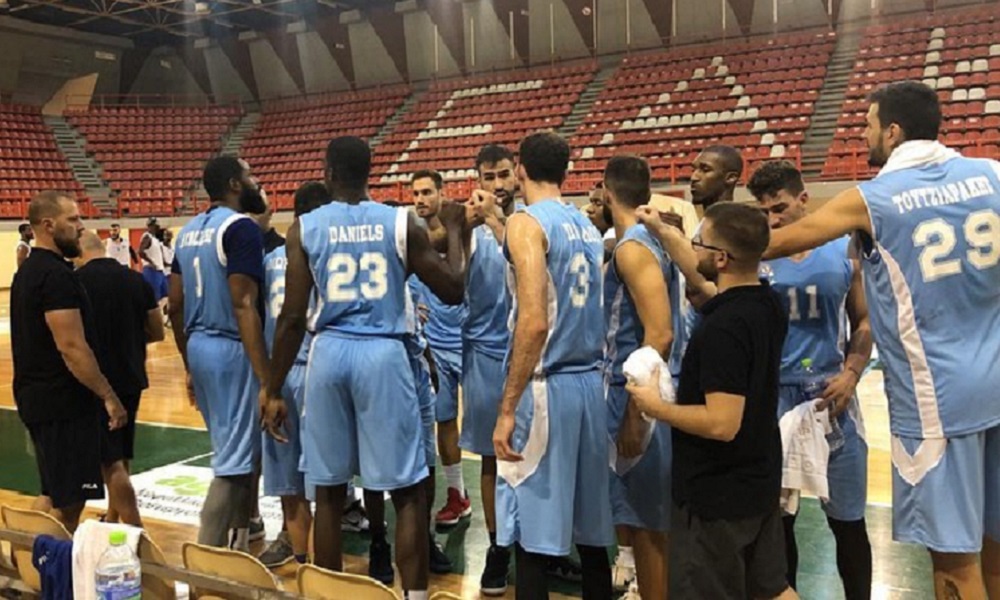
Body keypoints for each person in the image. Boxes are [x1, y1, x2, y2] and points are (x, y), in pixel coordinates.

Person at [764, 80, 1000, 599]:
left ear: (892, 131)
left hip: (937, 401)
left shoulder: (872, 199)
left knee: (954, 563)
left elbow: (776, 241)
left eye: (868, 125)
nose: (864, 135)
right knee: (994, 548)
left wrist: (691, 238)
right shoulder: (992, 174)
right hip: (995, 384)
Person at [263, 136, 468, 600]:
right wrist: (456, 231)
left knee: (329, 493)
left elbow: (291, 318)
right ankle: (414, 596)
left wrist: (273, 389)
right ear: (369, 172)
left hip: (328, 353)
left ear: (328, 174)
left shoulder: (305, 228)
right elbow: (453, 288)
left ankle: (329, 595)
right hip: (383, 354)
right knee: (408, 491)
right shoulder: (401, 222)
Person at [629, 202, 795, 600]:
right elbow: (704, 282)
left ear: (721, 258)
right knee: (772, 589)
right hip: (758, 478)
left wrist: (655, 407)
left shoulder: (723, 329)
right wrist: (663, 232)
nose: (694, 248)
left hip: (717, 494)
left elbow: (722, 423)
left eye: (699, 242)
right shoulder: (766, 303)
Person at [493, 132, 613, 599]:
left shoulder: (525, 223)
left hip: (546, 387)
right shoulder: (585, 224)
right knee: (591, 532)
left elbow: (534, 322)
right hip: (589, 384)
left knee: (531, 534)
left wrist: (508, 407)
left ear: (520, 169)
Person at [749, 161, 874, 599]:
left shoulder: (842, 248)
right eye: (763, 212)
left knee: (848, 523)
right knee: (778, 525)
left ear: (803, 199)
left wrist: (852, 373)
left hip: (831, 394)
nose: (771, 220)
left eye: (779, 208)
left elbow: (864, 320)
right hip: (773, 399)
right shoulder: (756, 256)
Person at [168, 156, 270, 550]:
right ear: (233, 184)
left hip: (198, 346)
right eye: (249, 175)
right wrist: (267, 379)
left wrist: (188, 364)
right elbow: (244, 305)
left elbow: (175, 304)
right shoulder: (240, 228)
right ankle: (204, 558)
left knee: (239, 454)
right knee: (231, 465)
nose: (255, 181)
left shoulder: (188, 231)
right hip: (231, 349)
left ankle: (241, 540)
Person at [11, 191, 127, 532]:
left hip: (37, 398)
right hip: (62, 403)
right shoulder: (55, 276)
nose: (81, 227)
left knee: (52, 493)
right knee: (69, 506)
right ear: (48, 225)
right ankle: (49, 566)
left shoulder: (28, 272)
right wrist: (108, 395)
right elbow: (72, 346)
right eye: (73, 219)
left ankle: (21, 555)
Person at [602, 156, 683, 600]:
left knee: (650, 529)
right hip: (635, 389)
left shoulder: (633, 248)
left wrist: (637, 413)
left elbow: (661, 334)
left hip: (637, 392)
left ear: (605, 192)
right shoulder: (648, 239)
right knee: (637, 519)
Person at [256, 182, 328, 569]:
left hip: (279, 375)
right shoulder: (327, 254)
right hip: (318, 374)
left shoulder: (270, 260)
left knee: (290, 485)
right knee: (327, 486)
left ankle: (301, 561)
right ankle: (319, 572)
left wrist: (267, 384)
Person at [460, 144, 520, 595]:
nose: (497, 184)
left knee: (537, 455)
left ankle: (540, 544)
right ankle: (498, 547)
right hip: (484, 353)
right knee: (490, 457)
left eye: (503, 174)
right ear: (477, 180)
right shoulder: (469, 229)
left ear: (517, 174)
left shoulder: (531, 221)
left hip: (533, 354)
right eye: (488, 176)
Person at [76, 230, 164, 526]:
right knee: (122, 452)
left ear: (79, 252)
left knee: (109, 461)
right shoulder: (135, 280)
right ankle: (112, 517)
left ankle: (134, 527)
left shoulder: (76, 282)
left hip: (97, 382)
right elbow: (157, 331)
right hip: (132, 374)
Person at [411, 169, 471, 527]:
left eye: (427, 192)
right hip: (436, 346)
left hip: (472, 342)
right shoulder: (414, 237)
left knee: (492, 426)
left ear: (442, 193)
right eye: (416, 193)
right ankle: (457, 494)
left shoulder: (462, 227)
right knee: (444, 422)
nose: (420, 199)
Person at [139, 217, 166, 304]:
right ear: (150, 226)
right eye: (155, 226)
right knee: (154, 298)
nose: (157, 228)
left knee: (165, 297)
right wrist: (151, 262)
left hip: (160, 270)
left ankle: (161, 312)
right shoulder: (147, 236)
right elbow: (140, 251)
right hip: (152, 271)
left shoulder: (155, 239)